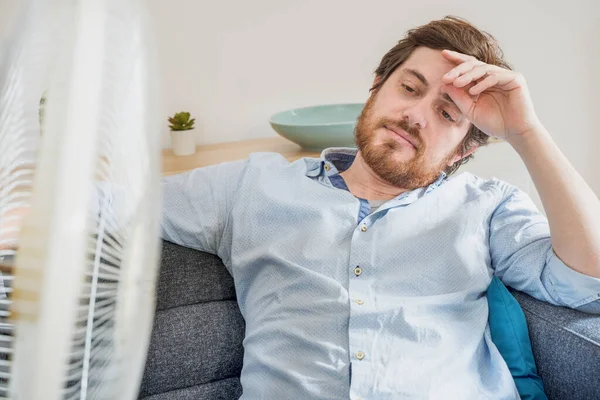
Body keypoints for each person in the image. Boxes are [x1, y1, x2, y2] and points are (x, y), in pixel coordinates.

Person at [3, 15, 600, 399]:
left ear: (462, 151)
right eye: (410, 88)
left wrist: (525, 130)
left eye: (448, 114)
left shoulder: (488, 206)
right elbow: (101, 206)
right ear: (377, 86)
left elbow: (586, 282)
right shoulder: (250, 186)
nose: (417, 114)